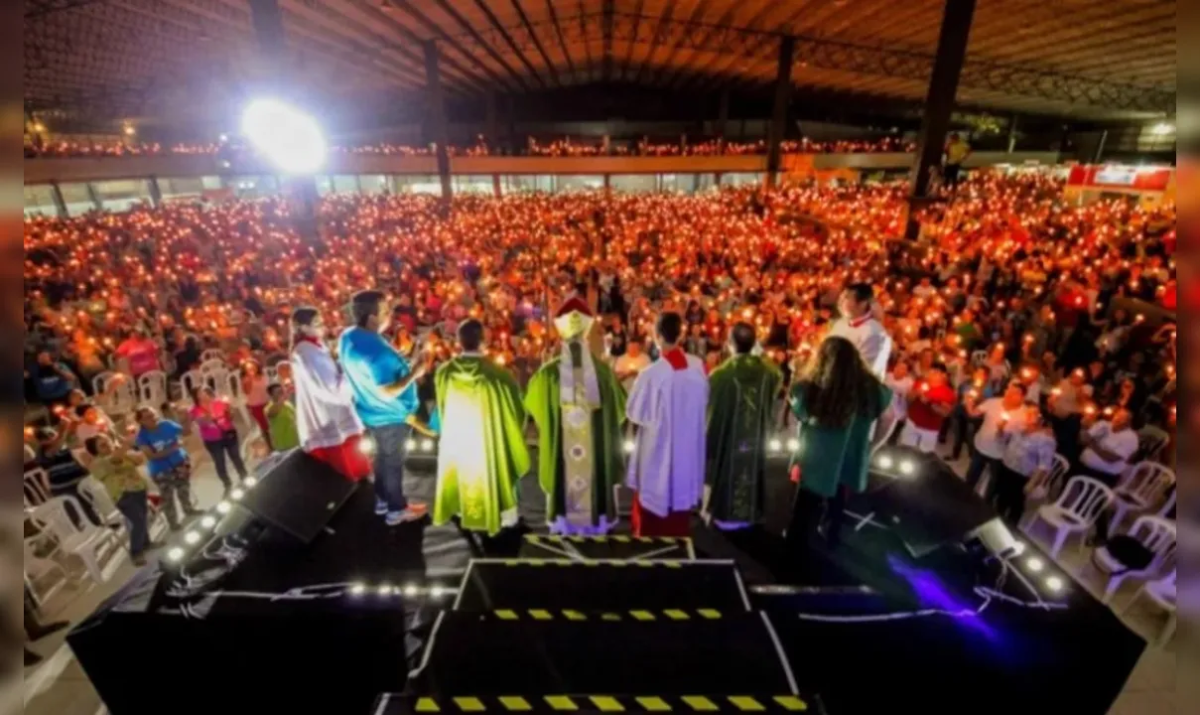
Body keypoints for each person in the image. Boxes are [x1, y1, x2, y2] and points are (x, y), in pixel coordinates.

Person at [525, 296, 627, 535]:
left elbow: (534, 409)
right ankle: (596, 522)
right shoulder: (603, 374)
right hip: (594, 460)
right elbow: (620, 412)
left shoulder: (548, 375)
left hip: (563, 454)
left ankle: (565, 523)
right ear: (586, 332)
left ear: (561, 332)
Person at [786, 337, 892, 551]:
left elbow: (797, 414)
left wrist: (794, 375)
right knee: (838, 501)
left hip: (815, 458)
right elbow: (889, 417)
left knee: (805, 504)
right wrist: (873, 445)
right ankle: (830, 536)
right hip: (849, 457)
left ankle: (795, 544)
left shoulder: (812, 387)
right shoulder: (870, 388)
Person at [338, 290, 429, 526]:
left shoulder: (349, 336)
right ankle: (396, 510)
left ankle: (382, 500)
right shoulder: (376, 352)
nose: (391, 315)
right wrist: (414, 373)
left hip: (370, 411)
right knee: (393, 462)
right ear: (371, 316)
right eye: (386, 311)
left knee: (381, 458)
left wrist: (399, 359)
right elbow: (386, 390)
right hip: (391, 414)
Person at [432, 319, 531, 535]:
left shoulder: (445, 372)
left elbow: (442, 407)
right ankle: (505, 516)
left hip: (460, 438)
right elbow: (517, 410)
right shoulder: (498, 375)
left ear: (459, 341)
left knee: (462, 470)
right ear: (483, 341)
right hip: (488, 439)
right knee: (498, 468)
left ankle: (461, 509)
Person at [626, 312, 709, 537]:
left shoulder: (650, 374)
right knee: (678, 490)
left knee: (657, 488)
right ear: (681, 334)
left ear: (657, 335)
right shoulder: (698, 367)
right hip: (687, 445)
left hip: (658, 449)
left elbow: (634, 413)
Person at [704, 322, 782, 530]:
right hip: (756, 437)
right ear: (755, 343)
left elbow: (713, 411)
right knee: (752, 468)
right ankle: (749, 513)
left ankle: (725, 516)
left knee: (728, 468)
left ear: (729, 343)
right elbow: (777, 383)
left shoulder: (721, 375)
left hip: (730, 438)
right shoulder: (768, 372)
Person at [290, 306, 370, 480]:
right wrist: (351, 369)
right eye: (317, 323)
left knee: (358, 465)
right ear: (303, 328)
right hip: (329, 417)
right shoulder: (305, 352)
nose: (323, 326)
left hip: (336, 415)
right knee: (345, 473)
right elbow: (330, 389)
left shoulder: (315, 347)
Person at [84, 435, 152, 566]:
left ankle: (147, 543)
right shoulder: (97, 463)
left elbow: (139, 460)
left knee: (142, 517)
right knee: (137, 521)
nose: (108, 446)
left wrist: (130, 450)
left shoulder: (121, 454)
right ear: (95, 450)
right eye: (103, 445)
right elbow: (113, 460)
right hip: (123, 495)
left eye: (108, 442)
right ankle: (136, 552)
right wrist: (125, 445)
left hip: (138, 488)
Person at [134, 406, 197, 531]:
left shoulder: (167, 424)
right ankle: (173, 523)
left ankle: (188, 509)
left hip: (180, 462)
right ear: (141, 421)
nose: (152, 418)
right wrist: (173, 448)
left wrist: (187, 417)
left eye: (153, 414)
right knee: (168, 498)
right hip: (161, 470)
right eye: (147, 417)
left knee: (184, 488)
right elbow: (151, 456)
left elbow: (186, 432)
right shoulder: (142, 437)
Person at [963, 381, 1028, 498]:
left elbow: (1019, 437)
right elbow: (973, 414)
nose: (1009, 394)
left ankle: (985, 504)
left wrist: (1002, 430)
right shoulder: (993, 402)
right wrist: (968, 401)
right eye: (1008, 390)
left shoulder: (1024, 415)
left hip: (1000, 455)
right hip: (981, 447)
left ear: (1022, 397)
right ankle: (964, 496)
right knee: (972, 475)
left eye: (1015, 393)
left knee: (992, 483)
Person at [994, 406, 1057, 525]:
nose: (1028, 415)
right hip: (1006, 466)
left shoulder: (1046, 439)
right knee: (1000, 497)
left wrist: (1032, 483)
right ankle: (995, 521)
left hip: (1021, 475)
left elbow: (1044, 465)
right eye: (1028, 412)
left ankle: (1010, 527)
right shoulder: (1019, 426)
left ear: (1041, 419)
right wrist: (1000, 428)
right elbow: (1002, 439)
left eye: (1033, 413)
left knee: (1014, 504)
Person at [32, 425, 101, 527]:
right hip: (63, 487)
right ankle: (78, 528)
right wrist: (63, 430)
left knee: (89, 502)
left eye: (51, 434)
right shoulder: (43, 453)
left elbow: (78, 448)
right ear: (41, 442)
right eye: (46, 437)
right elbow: (55, 447)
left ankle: (97, 523)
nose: (51, 438)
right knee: (73, 509)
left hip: (78, 479)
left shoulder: (63, 445)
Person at [187, 387, 248, 494]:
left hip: (228, 433)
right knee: (220, 462)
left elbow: (230, 418)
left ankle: (244, 476)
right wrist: (210, 409)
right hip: (213, 440)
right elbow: (203, 423)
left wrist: (229, 411)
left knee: (236, 457)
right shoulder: (195, 410)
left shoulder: (219, 403)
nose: (205, 394)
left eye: (206, 391)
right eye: (202, 392)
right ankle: (227, 484)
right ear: (196, 396)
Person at [827, 283, 892, 378]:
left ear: (862, 304)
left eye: (846, 298)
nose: (839, 302)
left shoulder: (874, 333)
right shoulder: (840, 323)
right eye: (841, 297)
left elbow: (863, 370)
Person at [900, 362, 955, 453]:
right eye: (931, 371)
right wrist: (916, 393)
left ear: (943, 375)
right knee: (905, 449)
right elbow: (908, 399)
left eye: (935, 372)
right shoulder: (920, 383)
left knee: (925, 454)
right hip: (912, 423)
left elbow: (945, 413)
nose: (931, 374)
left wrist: (929, 403)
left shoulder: (948, 393)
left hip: (929, 429)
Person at [241, 360, 273, 450]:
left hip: (267, 402)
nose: (251, 369)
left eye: (253, 366)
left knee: (272, 422)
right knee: (264, 426)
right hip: (256, 405)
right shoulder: (246, 380)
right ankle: (270, 446)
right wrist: (249, 381)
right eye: (248, 368)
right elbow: (246, 392)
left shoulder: (263, 376)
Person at [265, 382, 300, 452]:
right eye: (278, 392)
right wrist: (284, 397)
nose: (281, 393)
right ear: (271, 395)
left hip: (296, 441)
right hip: (284, 446)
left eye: (281, 391)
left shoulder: (287, 403)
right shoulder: (268, 408)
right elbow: (272, 413)